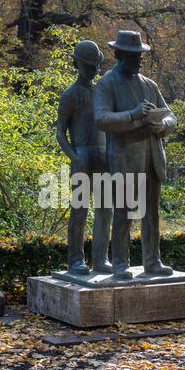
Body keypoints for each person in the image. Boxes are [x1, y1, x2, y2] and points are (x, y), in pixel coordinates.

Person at [95, 30, 177, 279]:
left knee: (151, 212)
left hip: (152, 157)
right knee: (125, 212)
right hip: (124, 158)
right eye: (133, 55)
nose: (139, 59)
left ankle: (153, 261)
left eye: (140, 55)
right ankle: (120, 263)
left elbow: (171, 116)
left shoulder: (149, 85)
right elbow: (101, 118)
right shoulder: (106, 84)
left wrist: (162, 125)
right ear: (119, 54)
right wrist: (132, 114)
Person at [57, 40, 112, 274]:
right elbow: (60, 133)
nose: (93, 71)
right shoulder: (70, 95)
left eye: (95, 67)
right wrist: (74, 157)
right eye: (89, 66)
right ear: (76, 64)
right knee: (79, 210)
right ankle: (75, 260)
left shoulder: (101, 92)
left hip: (103, 157)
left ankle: (101, 258)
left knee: (105, 209)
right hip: (82, 157)